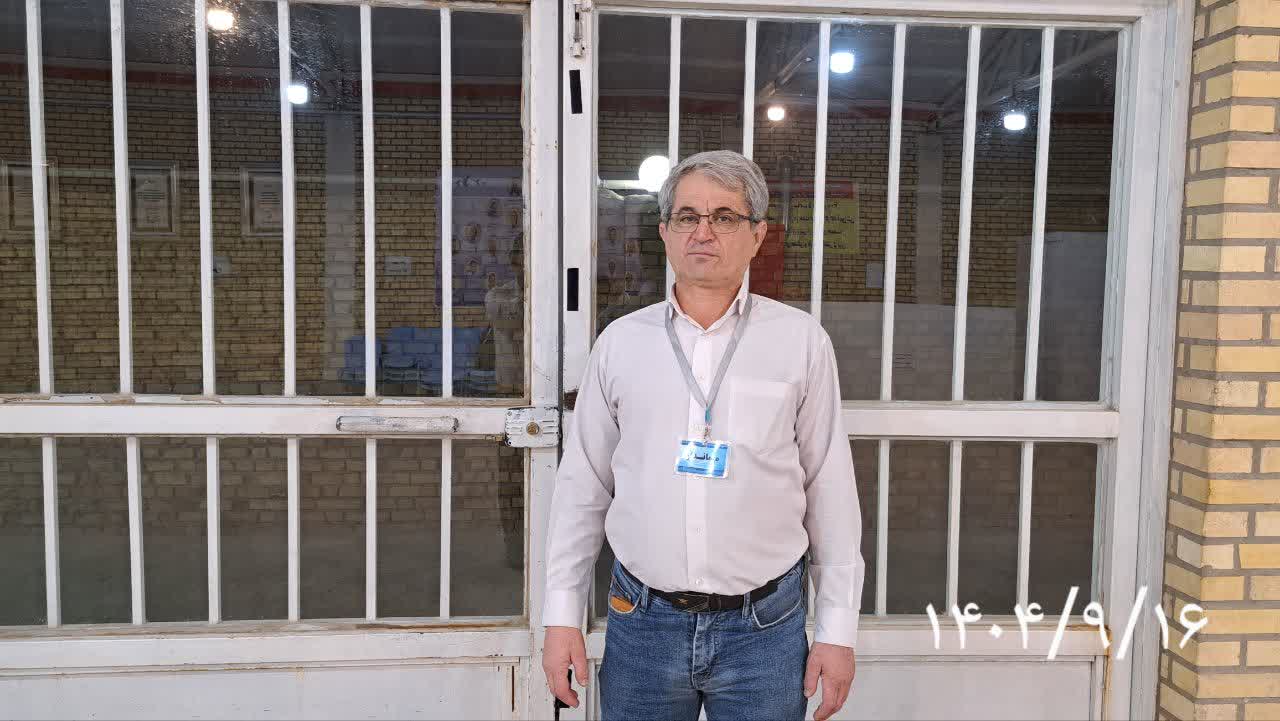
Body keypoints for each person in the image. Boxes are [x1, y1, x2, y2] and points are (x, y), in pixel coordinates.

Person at [542, 150, 864, 721]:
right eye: (687, 216)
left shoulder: (800, 342)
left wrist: (837, 630)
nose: (703, 232)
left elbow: (830, 489)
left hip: (765, 628)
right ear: (664, 232)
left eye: (724, 217)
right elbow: (583, 487)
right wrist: (562, 615)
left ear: (758, 234)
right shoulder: (621, 343)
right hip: (642, 623)